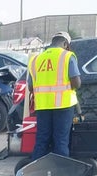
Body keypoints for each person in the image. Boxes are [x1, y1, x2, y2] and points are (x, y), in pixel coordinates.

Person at [27, 31, 81, 160]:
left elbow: (30, 86)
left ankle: (36, 173)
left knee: (42, 140)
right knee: (61, 141)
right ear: (65, 43)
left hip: (42, 105)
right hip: (63, 104)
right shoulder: (67, 56)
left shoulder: (36, 59)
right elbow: (76, 83)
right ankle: (60, 174)